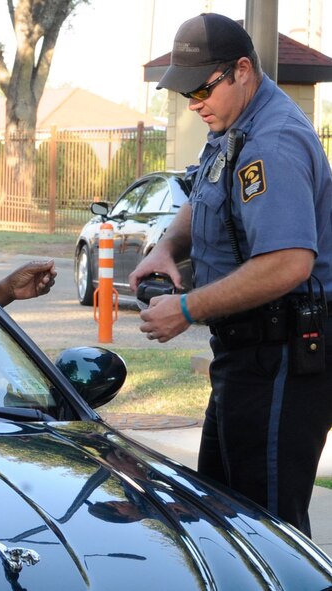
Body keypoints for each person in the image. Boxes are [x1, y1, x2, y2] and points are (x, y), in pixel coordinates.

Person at [129, 13, 332, 536]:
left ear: (242, 70)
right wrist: (166, 249)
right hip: (246, 357)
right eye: (183, 93)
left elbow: (289, 263)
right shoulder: (232, 130)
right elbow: (202, 196)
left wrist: (187, 308)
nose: (193, 103)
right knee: (226, 518)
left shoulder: (273, 142)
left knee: (269, 533)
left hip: (283, 356)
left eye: (201, 88)